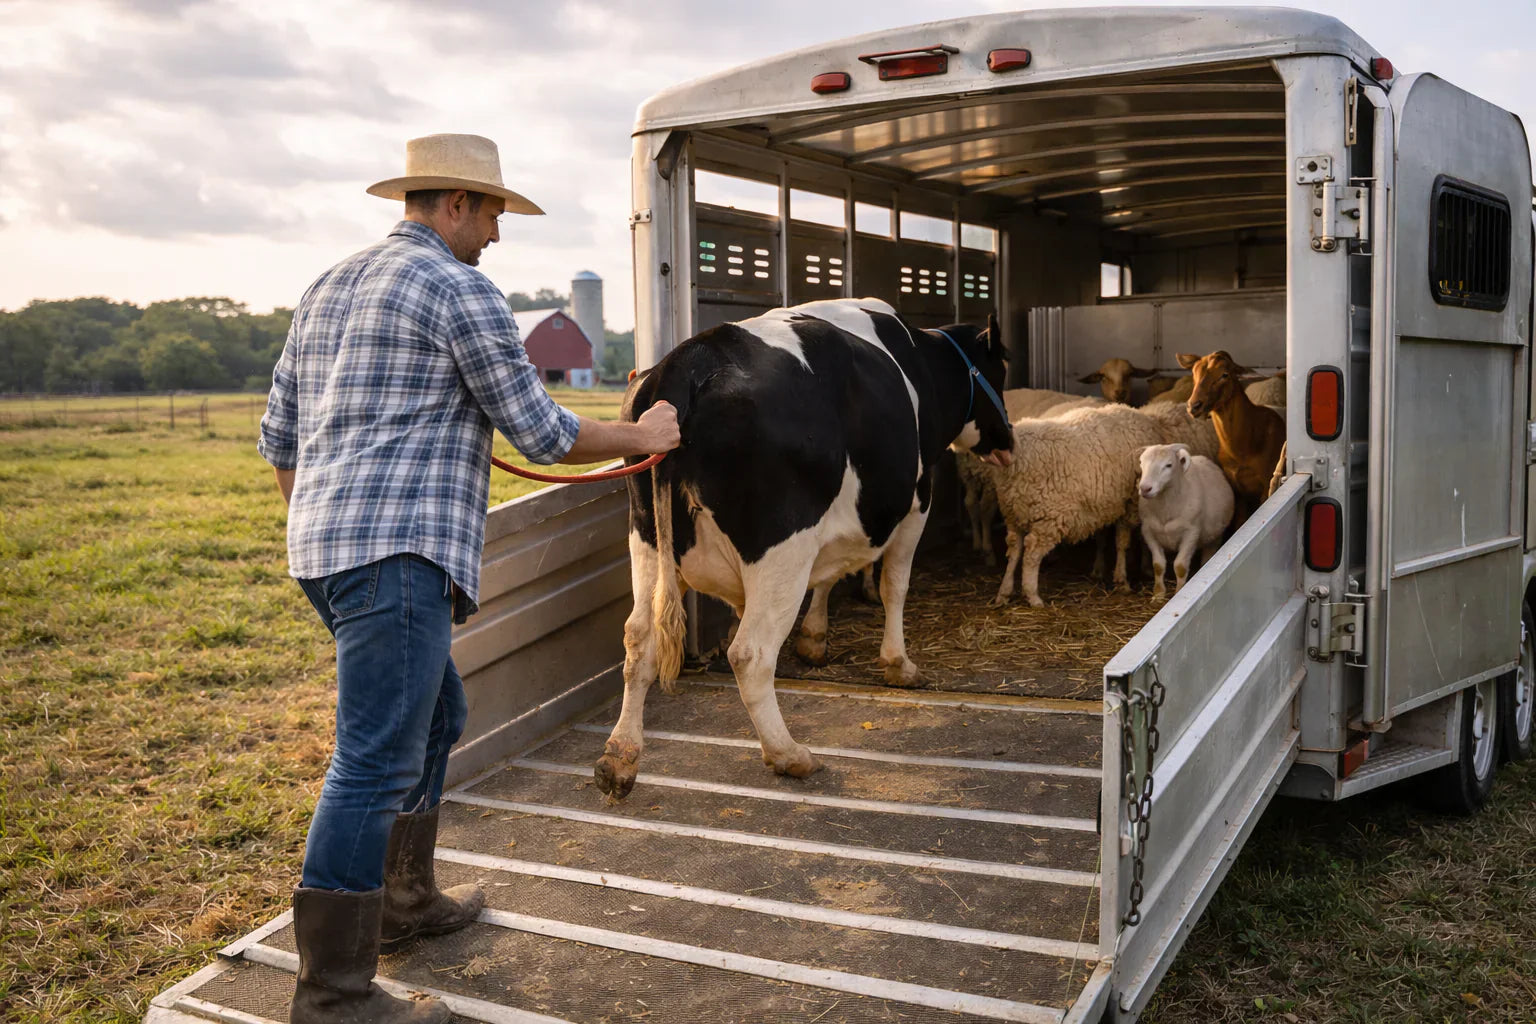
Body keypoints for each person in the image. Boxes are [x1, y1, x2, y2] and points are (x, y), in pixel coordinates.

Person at [257, 133, 679, 1024]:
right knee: (371, 761)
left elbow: (279, 437)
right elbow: (539, 431)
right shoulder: (459, 287)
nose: (496, 233)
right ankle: (331, 997)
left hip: (326, 554)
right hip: (398, 557)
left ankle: (406, 903)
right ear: (453, 203)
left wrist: (320, 527)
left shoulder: (327, 284)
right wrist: (647, 436)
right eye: (491, 212)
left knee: (438, 714)